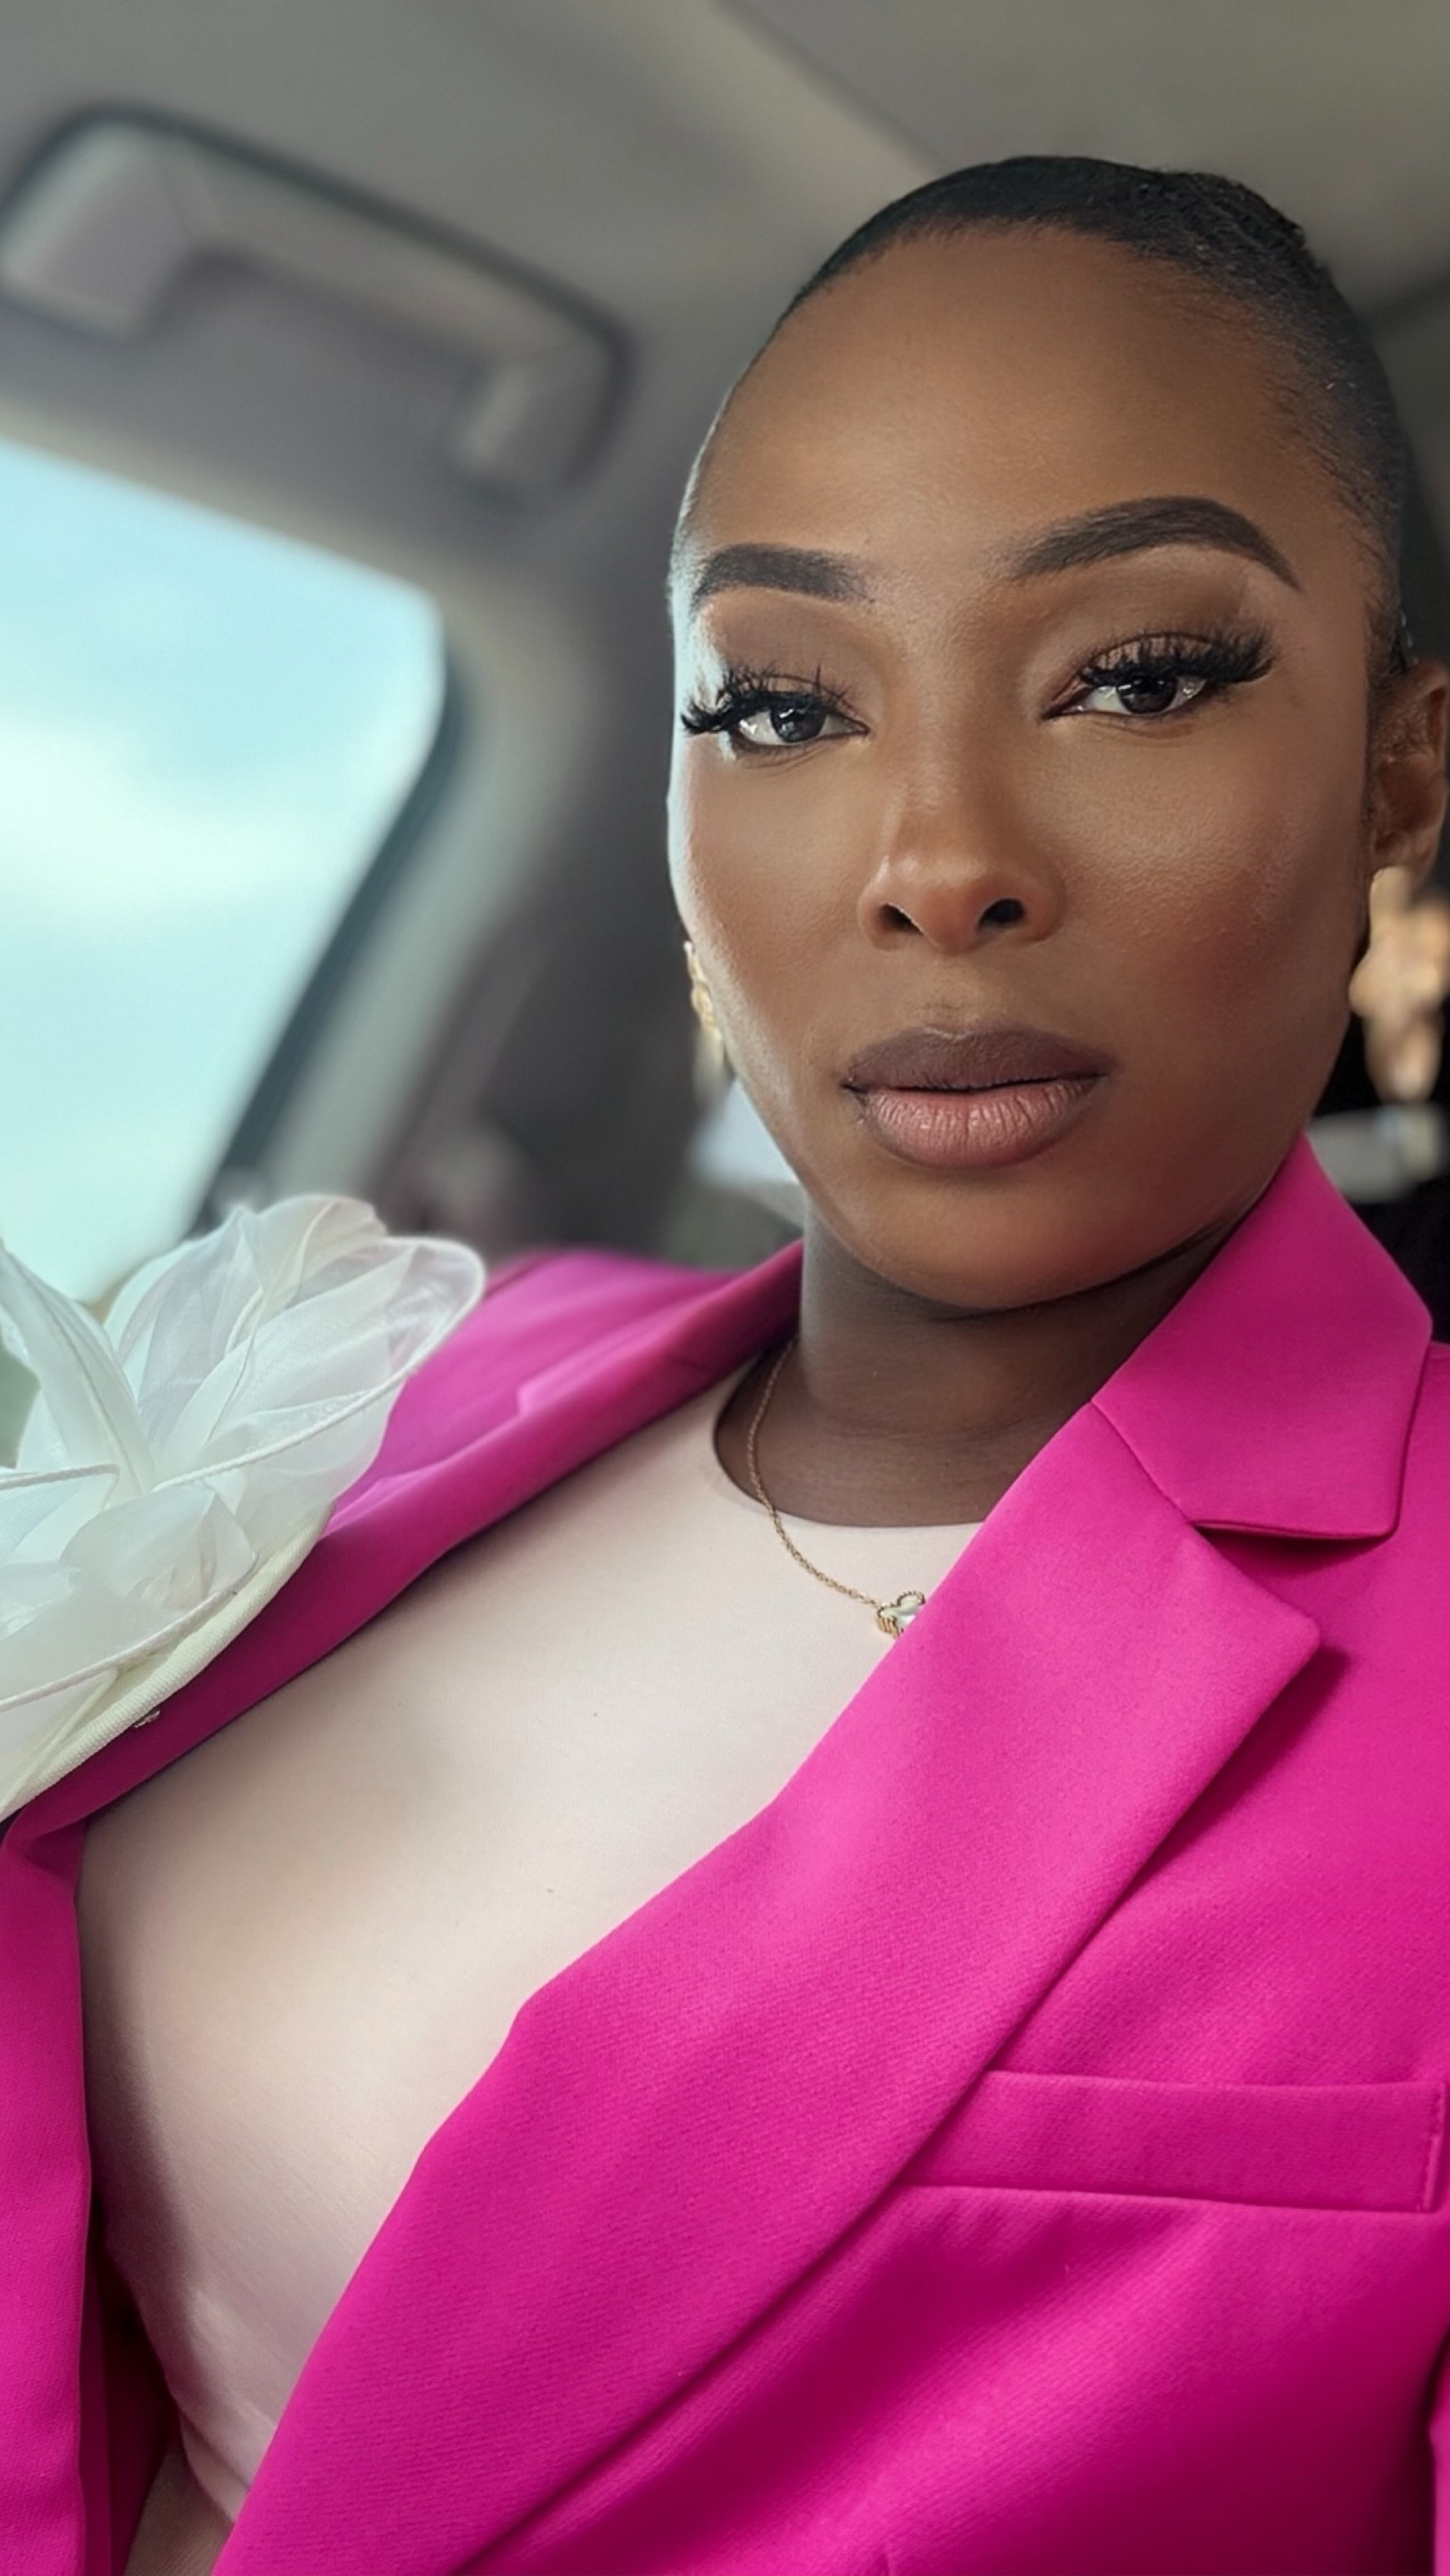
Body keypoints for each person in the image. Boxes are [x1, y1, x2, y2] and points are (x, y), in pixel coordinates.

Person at [3, 154, 1450, 2576]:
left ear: (1402, 766)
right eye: (780, 704)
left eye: (1134, 677)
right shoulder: (421, 1378)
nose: (937, 858)